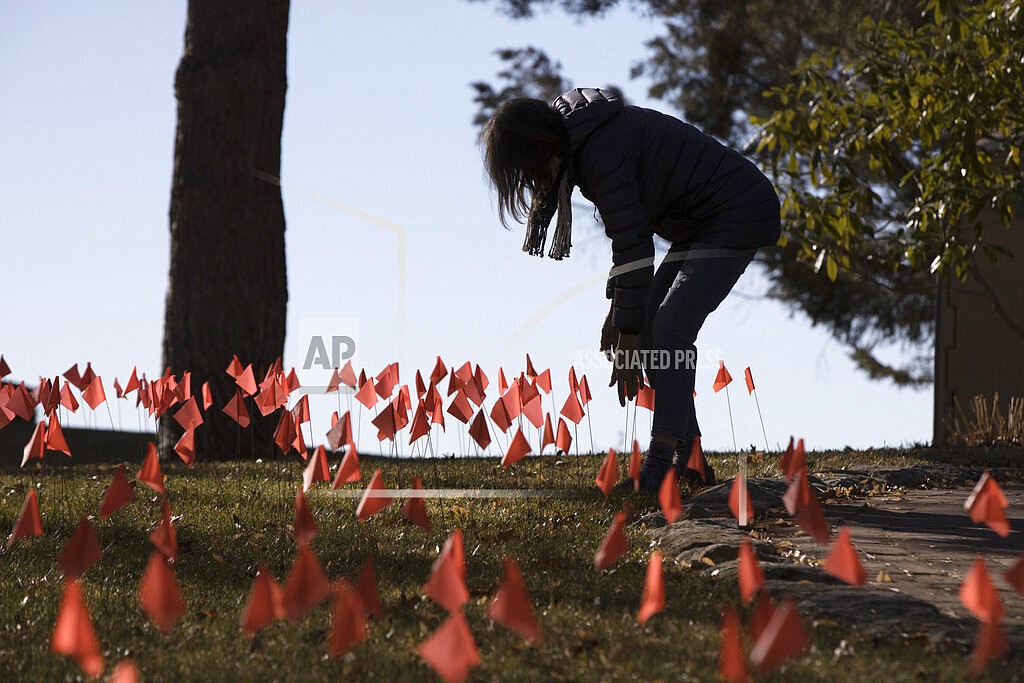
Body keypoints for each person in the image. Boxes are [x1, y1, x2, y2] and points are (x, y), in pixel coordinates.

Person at [482, 87, 780, 492]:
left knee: (670, 329)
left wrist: (629, 333)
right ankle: (691, 465)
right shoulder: (584, 141)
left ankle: (660, 467)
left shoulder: (598, 150)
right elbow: (629, 240)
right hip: (701, 221)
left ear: (539, 144)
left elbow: (634, 245)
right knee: (654, 328)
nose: (531, 180)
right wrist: (621, 316)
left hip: (736, 211)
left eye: (525, 166)